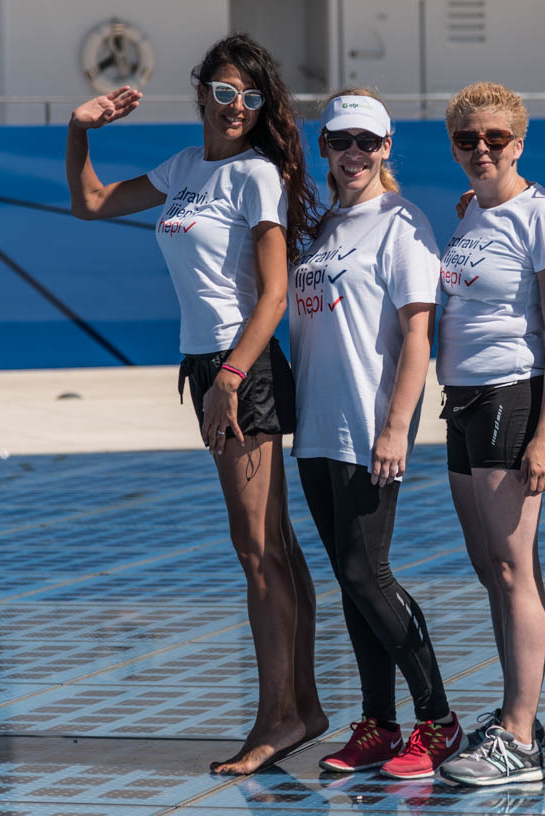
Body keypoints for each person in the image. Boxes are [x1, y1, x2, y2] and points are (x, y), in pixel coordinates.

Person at [64, 34, 327, 775]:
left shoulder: (257, 177)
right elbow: (88, 204)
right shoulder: (183, 168)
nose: (237, 107)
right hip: (206, 363)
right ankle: (298, 708)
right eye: (224, 92)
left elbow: (273, 294)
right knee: (269, 546)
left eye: (251, 97)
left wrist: (231, 379)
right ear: (201, 93)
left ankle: (278, 717)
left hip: (241, 367)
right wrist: (82, 129)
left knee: (258, 551)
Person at [291, 89, 463, 781]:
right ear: (323, 149)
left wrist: (396, 427)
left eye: (367, 142)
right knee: (350, 581)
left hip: (366, 427)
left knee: (369, 571)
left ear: (386, 147)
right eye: (340, 142)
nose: (353, 154)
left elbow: (419, 333)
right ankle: (379, 723)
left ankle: (439, 720)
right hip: (315, 428)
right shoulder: (319, 223)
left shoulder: (402, 224)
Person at [431, 82, 545, 788]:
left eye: (495, 139)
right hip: (461, 404)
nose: (481, 150)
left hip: (508, 400)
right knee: (490, 567)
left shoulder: (541, 217)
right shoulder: (468, 214)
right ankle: (514, 716)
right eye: (468, 140)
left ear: (518, 143)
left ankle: (518, 736)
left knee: (516, 567)